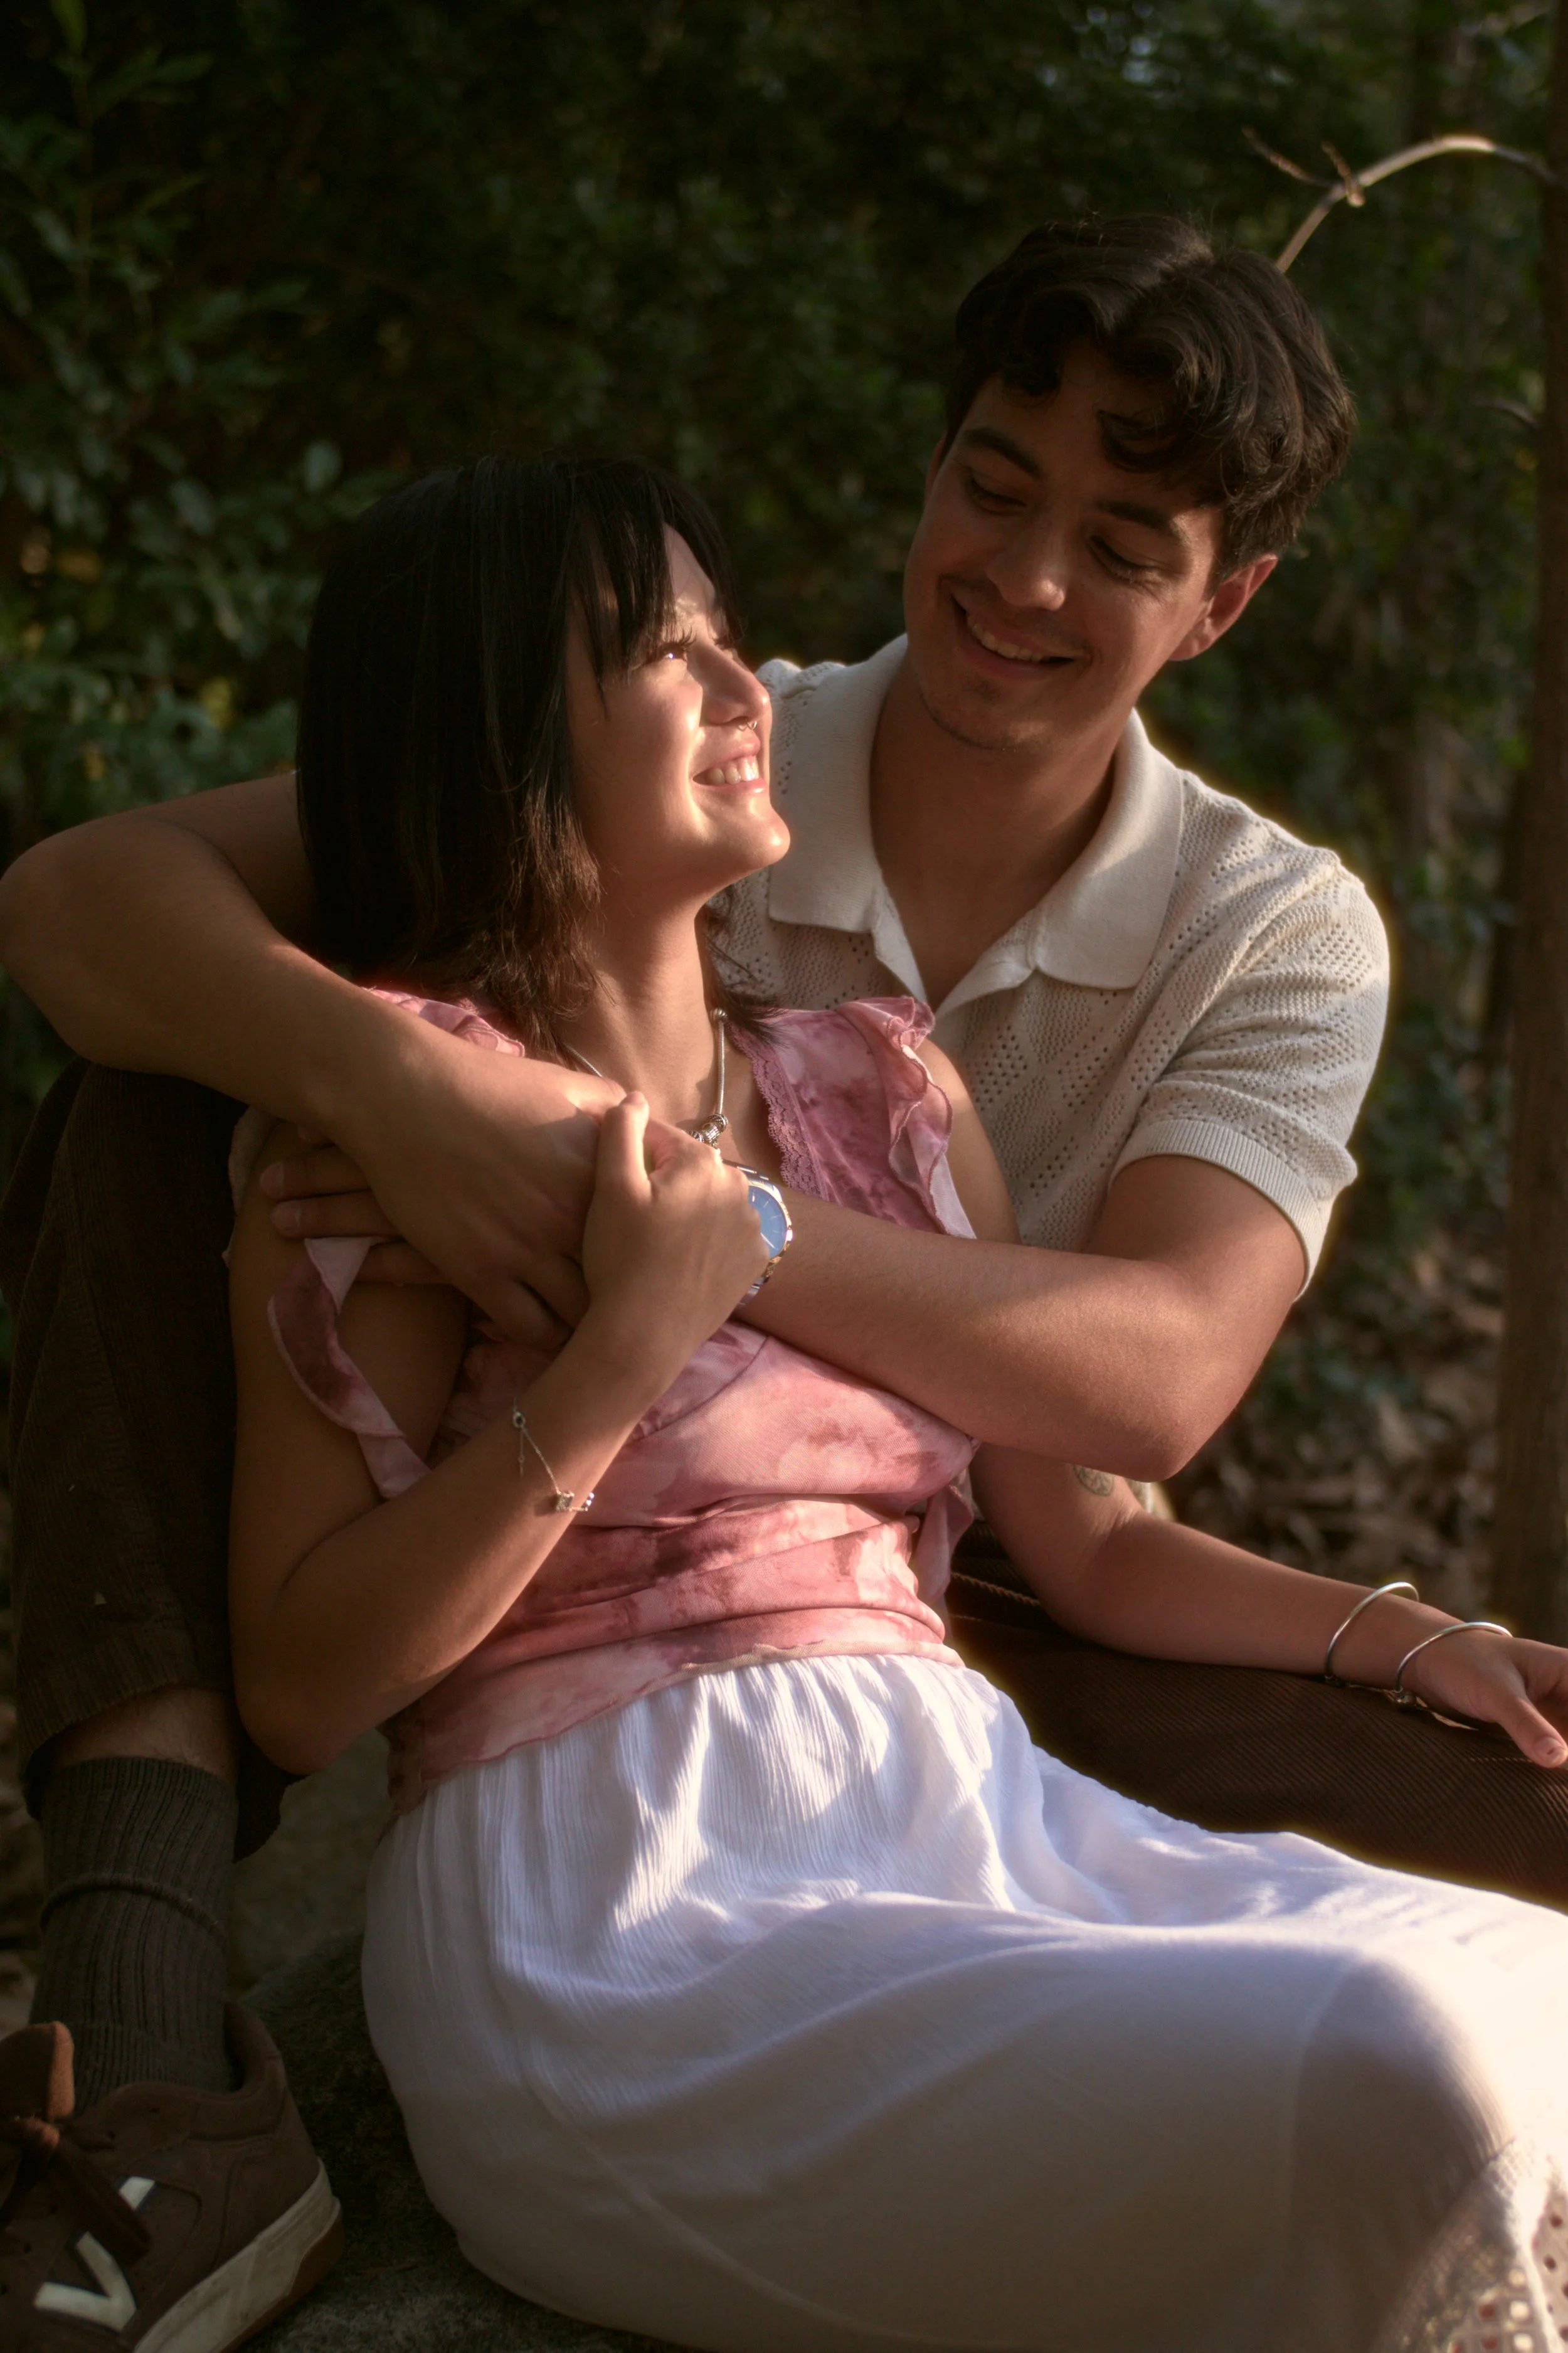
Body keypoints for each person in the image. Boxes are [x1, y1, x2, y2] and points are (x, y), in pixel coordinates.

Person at [2, 215, 1565, 2347]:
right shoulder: (692, 760)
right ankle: (144, 1999)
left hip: (963, 1658)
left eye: (1120, 543)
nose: (1017, 577)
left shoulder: (1211, 951)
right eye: (991, 485)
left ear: (1226, 602)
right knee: (137, 1097)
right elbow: (85, 902)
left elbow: (1130, 1436)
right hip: (613, 1796)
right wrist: (412, 1092)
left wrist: (1418, 1635)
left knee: (1516, 2001)